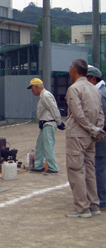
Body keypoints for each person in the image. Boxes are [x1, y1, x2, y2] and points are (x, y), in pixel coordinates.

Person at [65, 59, 105, 218]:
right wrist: (97, 129)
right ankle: (94, 204)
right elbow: (100, 113)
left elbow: (77, 113)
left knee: (76, 170)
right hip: (91, 136)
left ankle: (82, 207)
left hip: (77, 134)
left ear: (74, 70)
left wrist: (90, 127)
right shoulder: (95, 90)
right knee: (90, 169)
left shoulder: (74, 89)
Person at [27, 78, 65, 173]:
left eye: (32, 88)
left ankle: (53, 167)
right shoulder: (42, 96)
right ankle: (39, 166)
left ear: (36, 87)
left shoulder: (46, 95)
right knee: (39, 146)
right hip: (45, 123)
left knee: (48, 147)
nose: (32, 91)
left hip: (49, 123)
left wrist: (59, 122)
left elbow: (54, 109)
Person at [86, 66, 106, 210]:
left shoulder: (100, 94)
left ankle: (102, 199)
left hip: (102, 137)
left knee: (98, 168)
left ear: (93, 79)